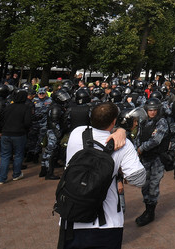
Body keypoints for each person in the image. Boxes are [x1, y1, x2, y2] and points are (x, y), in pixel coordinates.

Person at [60, 102, 143, 248]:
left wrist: (118, 130)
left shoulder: (76, 133)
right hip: (107, 222)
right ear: (114, 121)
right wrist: (122, 131)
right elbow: (139, 180)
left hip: (71, 217)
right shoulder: (124, 144)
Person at [134, 98, 168, 227]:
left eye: (154, 110)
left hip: (157, 159)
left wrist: (140, 149)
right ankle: (147, 208)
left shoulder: (161, 122)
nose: (152, 112)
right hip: (145, 158)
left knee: (153, 186)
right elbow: (137, 136)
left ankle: (150, 212)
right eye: (150, 110)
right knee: (145, 184)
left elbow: (156, 140)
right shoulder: (143, 121)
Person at [0, 87, 33, 184]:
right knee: (18, 154)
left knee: (5, 156)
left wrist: (0, 131)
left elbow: (0, 121)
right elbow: (27, 122)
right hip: (19, 134)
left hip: (6, 133)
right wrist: (25, 130)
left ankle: (1, 178)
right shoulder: (26, 108)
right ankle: (16, 174)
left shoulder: (7, 107)